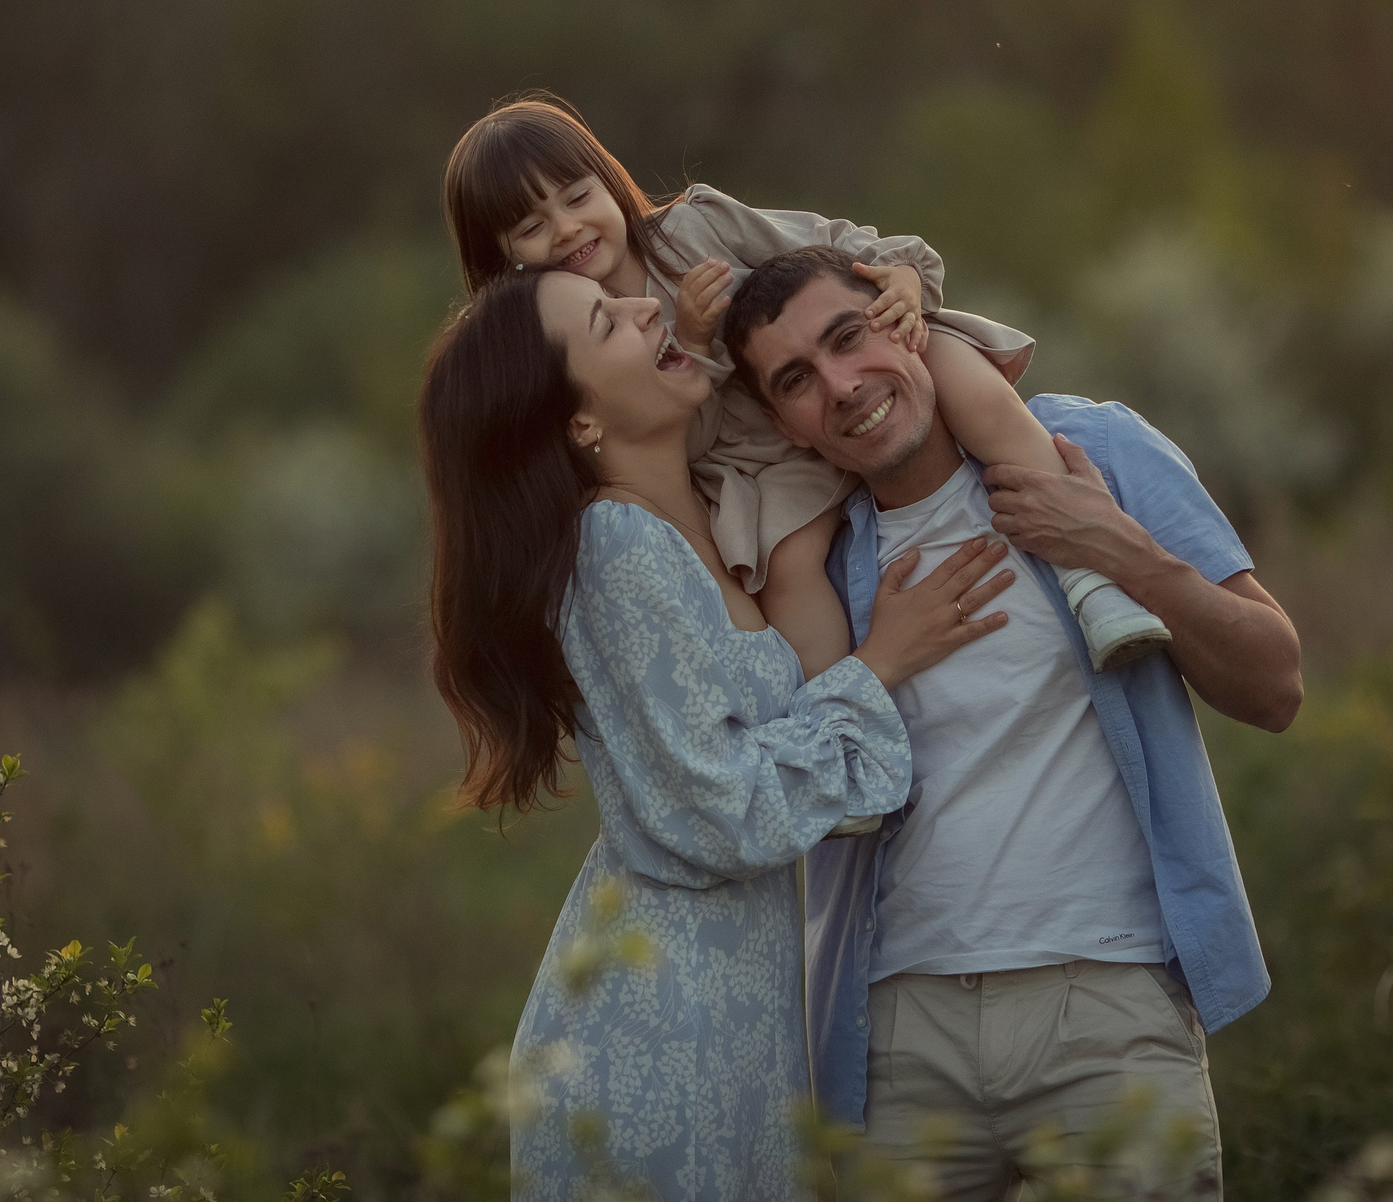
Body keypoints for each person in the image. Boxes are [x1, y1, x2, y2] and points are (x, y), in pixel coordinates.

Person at [418, 268, 1017, 1199]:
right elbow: (717, 808)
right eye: (606, 321)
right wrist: (881, 665)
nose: (647, 305)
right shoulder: (616, 548)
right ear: (578, 420)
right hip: (661, 1025)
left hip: (737, 1005)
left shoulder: (705, 524)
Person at [722, 245, 1305, 1201]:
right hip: (894, 1032)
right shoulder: (807, 564)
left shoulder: (1095, 450)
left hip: (1108, 1001)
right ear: (782, 422)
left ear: (903, 322)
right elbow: (775, 787)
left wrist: (1123, 553)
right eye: (797, 379)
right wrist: (880, 662)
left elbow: (1274, 684)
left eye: (848, 337)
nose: (842, 384)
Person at [442, 93, 1172, 679]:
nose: (568, 229)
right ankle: (846, 727)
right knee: (790, 570)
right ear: (505, 264)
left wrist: (900, 276)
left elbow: (829, 250)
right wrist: (692, 343)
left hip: (840, 381)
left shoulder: (693, 229)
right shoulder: (561, 361)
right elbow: (672, 440)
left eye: (575, 195)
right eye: (532, 228)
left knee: (957, 371)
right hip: (754, 467)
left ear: (608, 178)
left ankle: (1091, 582)